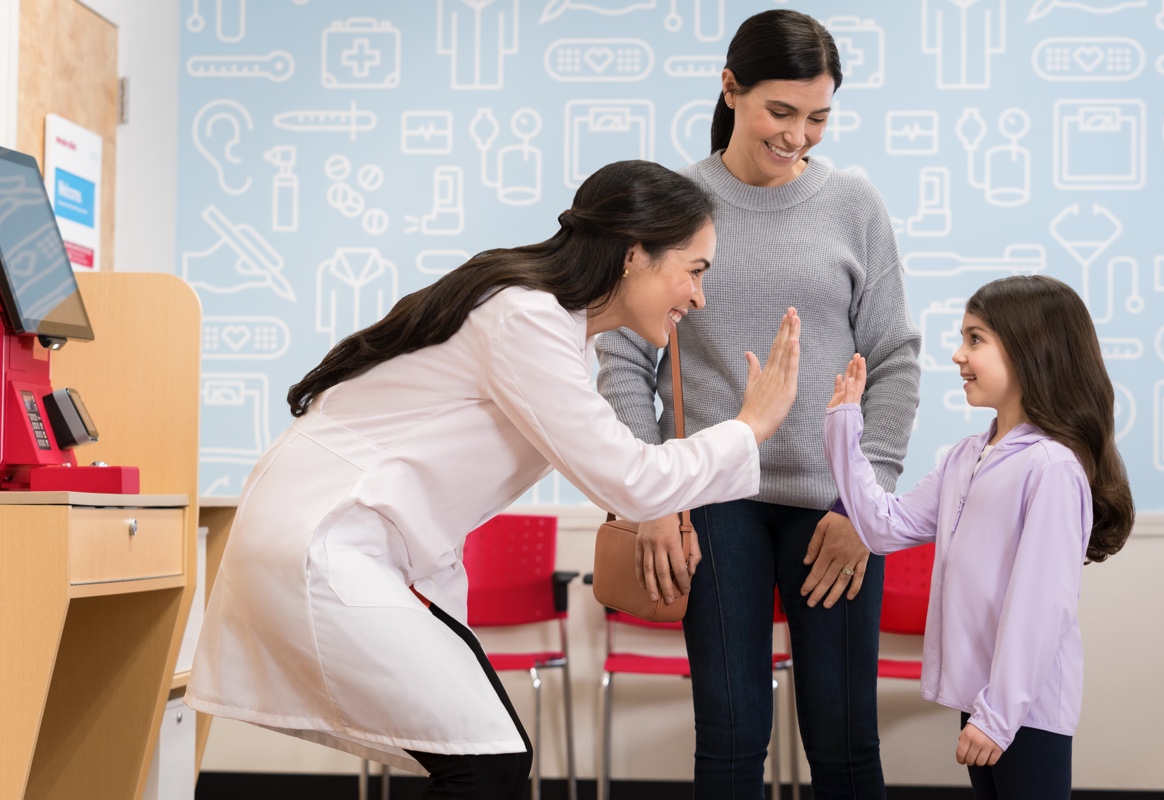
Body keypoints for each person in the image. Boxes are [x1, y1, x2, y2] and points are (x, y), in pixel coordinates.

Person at [184, 160, 803, 800]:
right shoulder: (526, 320)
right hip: (322, 545)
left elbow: (622, 474)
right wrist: (749, 426)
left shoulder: (551, 330)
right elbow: (631, 481)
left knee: (494, 756)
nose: (699, 297)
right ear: (632, 255)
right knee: (486, 761)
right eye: (694, 271)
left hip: (355, 546)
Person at [597, 10, 920, 798]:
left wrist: (864, 500)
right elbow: (620, 354)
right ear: (731, 89)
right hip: (712, 498)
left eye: (818, 117)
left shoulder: (853, 201)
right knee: (733, 734)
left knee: (844, 740)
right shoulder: (675, 206)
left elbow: (895, 359)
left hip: (831, 505)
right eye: (782, 112)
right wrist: (653, 496)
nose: (799, 136)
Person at [824, 275, 1135, 800]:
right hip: (983, 696)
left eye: (975, 339)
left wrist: (997, 717)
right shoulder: (967, 455)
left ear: (1028, 350)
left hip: (1024, 706)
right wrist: (843, 426)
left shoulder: (1052, 468)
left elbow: (1041, 606)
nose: (956, 355)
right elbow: (882, 526)